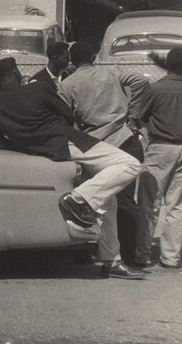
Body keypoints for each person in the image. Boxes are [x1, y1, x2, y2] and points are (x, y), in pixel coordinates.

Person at [0, 57, 144, 280]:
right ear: (15, 72)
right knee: (130, 164)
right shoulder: (38, 89)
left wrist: (30, 146)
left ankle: (111, 260)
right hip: (71, 142)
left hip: (49, 153)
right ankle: (78, 199)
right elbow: (67, 114)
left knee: (109, 197)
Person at [59, 40, 150, 269]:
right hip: (124, 137)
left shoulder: (68, 84)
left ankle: (106, 253)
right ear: (93, 57)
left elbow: (64, 115)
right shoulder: (111, 71)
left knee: (105, 200)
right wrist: (132, 111)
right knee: (126, 200)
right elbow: (141, 80)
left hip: (95, 144)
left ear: (72, 60)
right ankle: (130, 257)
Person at [135, 46, 182, 270]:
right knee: (175, 204)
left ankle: (142, 254)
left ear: (167, 64)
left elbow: (139, 115)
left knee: (149, 203)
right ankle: (171, 257)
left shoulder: (156, 88)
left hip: (160, 147)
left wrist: (147, 129)